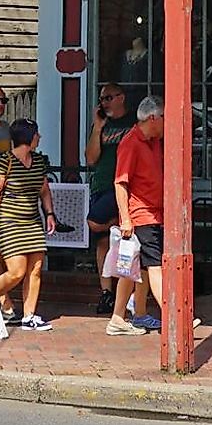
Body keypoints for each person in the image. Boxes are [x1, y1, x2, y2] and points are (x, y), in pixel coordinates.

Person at [0, 120, 56, 331]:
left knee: (35, 269)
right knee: (17, 271)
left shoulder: (38, 161)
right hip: (10, 222)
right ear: (28, 137)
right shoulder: (4, 161)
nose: (39, 137)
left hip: (33, 221)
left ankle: (30, 315)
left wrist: (50, 214)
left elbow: (44, 189)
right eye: (37, 134)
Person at [106, 96, 167, 336]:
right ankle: (174, 316)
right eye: (163, 118)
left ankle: (128, 316)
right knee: (154, 266)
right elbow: (121, 182)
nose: (166, 123)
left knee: (135, 269)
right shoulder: (131, 142)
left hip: (155, 212)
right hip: (142, 214)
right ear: (153, 118)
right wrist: (126, 218)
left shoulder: (153, 141)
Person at [84, 83, 137, 311]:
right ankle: (106, 292)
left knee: (127, 240)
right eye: (102, 99)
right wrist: (97, 128)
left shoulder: (133, 123)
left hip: (127, 184)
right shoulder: (102, 126)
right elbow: (91, 159)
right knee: (103, 238)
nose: (104, 103)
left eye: (108, 98)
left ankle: (131, 297)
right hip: (103, 184)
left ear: (121, 98)